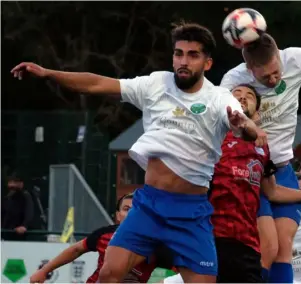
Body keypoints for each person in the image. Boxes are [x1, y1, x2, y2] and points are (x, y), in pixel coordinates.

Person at [11, 22, 266, 283]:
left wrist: (244, 126)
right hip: (149, 206)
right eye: (179, 53)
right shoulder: (156, 84)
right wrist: (48, 73)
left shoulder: (219, 97)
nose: (183, 61)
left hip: (191, 212)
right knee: (110, 272)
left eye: (193, 55)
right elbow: (98, 83)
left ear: (207, 63)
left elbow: (246, 126)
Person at [162, 84, 301, 283]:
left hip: (245, 243)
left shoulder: (262, 147)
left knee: (271, 249)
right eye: (237, 95)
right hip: (209, 234)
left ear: (258, 111)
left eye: (250, 96)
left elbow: (272, 192)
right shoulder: (209, 134)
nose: (243, 98)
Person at [220, 33, 301, 283]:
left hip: (282, 166)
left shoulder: (295, 58)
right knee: (268, 247)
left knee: (285, 245)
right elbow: (225, 115)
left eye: (277, 72)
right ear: (249, 68)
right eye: (266, 77)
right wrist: (251, 127)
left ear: (279, 55)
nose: (274, 79)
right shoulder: (233, 80)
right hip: (250, 169)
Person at [30, 193, 172, 283]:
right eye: (126, 209)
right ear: (118, 215)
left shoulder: (156, 245)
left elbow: (187, 271)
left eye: (136, 209)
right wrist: (44, 270)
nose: (131, 214)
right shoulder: (104, 235)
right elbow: (76, 249)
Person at [1, 174, 34, 241]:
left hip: (20, 235)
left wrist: (24, 226)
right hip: (6, 233)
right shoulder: (7, 197)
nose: (12, 185)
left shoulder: (25, 195)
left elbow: (29, 212)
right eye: (10, 182)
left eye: (15, 182)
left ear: (21, 184)